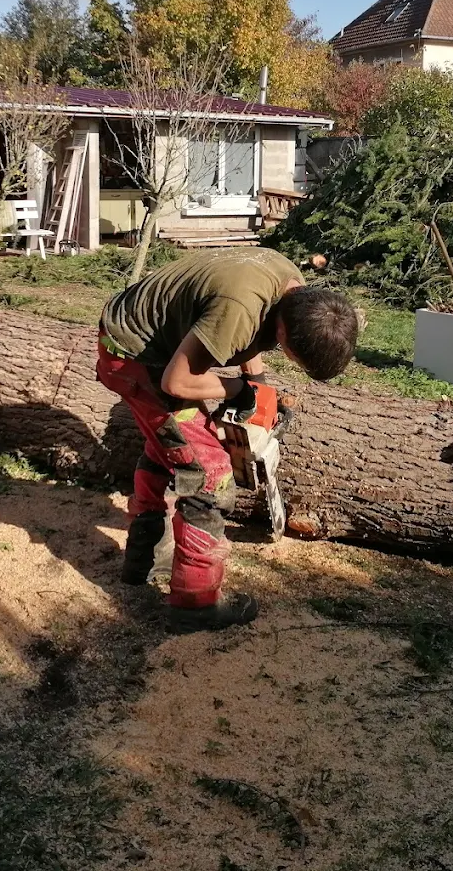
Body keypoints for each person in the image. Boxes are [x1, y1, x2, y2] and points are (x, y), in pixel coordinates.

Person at [96, 247, 359, 632]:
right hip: (135, 356)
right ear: (285, 334)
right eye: (290, 355)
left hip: (145, 339)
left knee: (169, 447)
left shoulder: (289, 284)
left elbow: (251, 336)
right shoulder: (239, 306)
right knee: (210, 476)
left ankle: (144, 561)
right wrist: (236, 390)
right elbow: (176, 382)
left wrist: (260, 391)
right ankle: (195, 604)